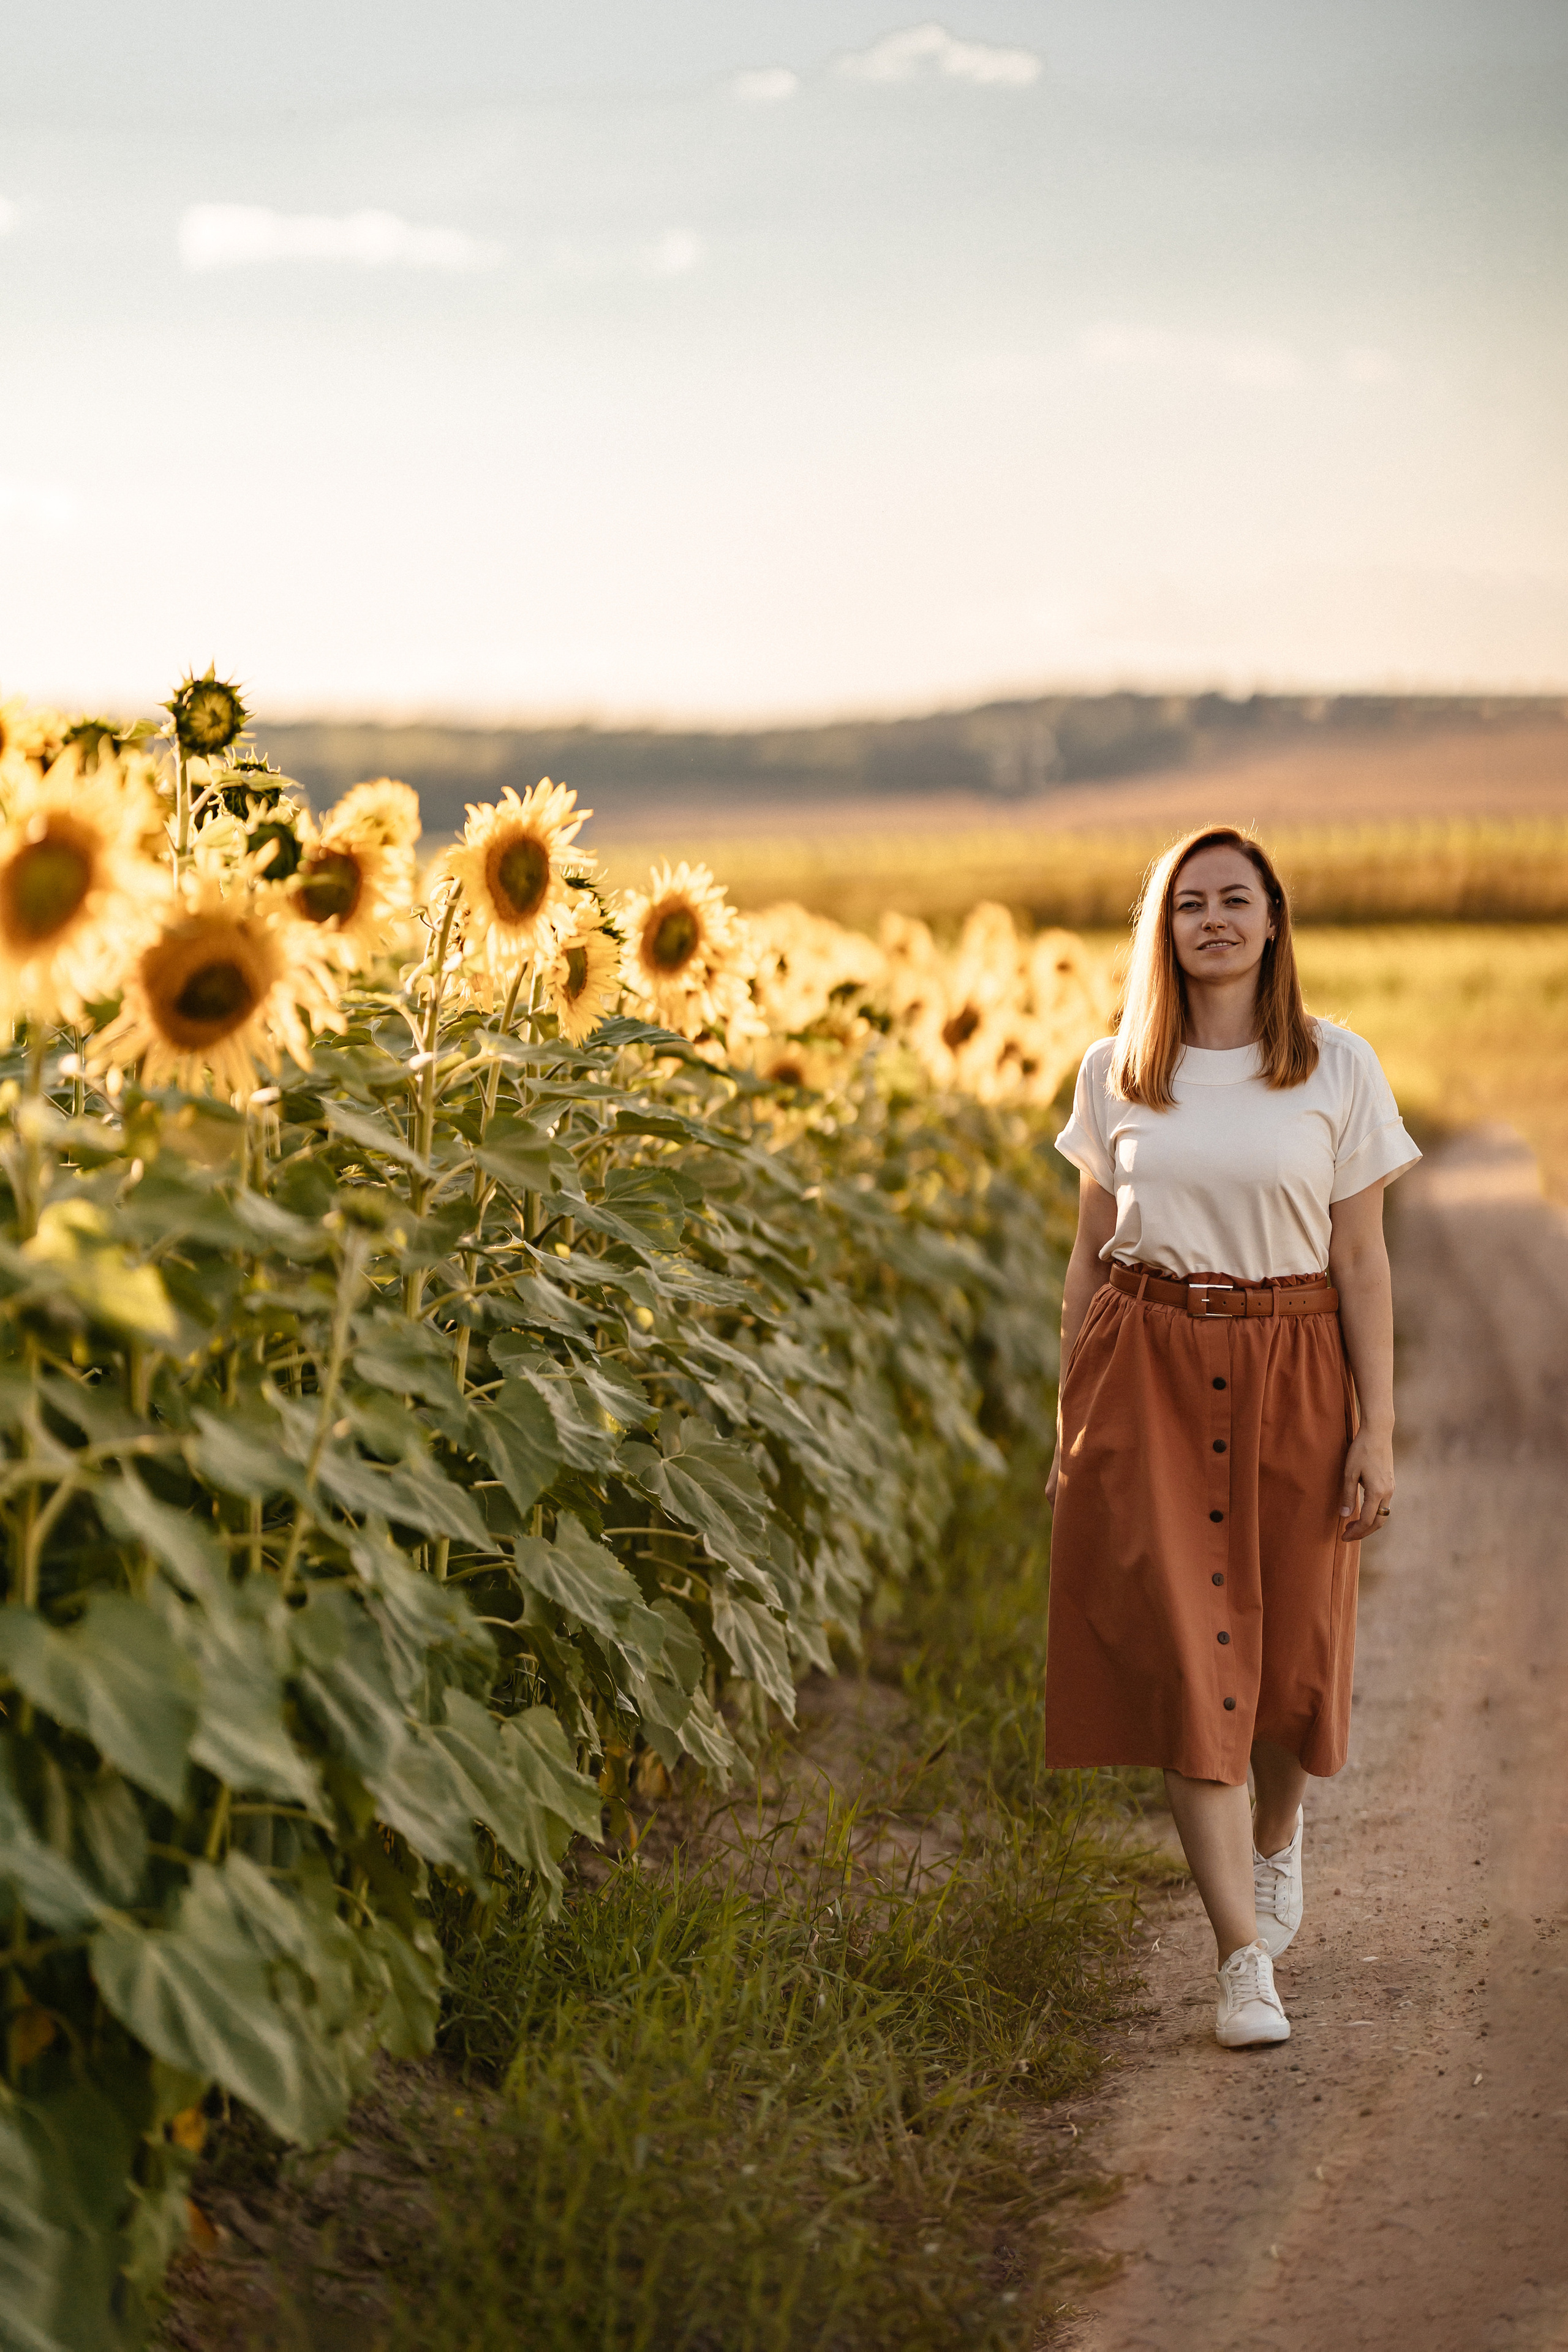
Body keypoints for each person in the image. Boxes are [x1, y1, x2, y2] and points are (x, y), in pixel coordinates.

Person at [1044, 824, 1419, 2048]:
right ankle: (1238, 1959)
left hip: (1295, 1361)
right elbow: (1088, 1254)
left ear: (1270, 921)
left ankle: (1274, 1833)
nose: (1210, 918)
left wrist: (1378, 1428)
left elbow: (1360, 1258)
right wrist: (1071, 1412)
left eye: (1233, 900)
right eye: (1187, 902)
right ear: (1163, 927)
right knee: (1185, 1659)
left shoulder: (1332, 1066)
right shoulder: (1115, 1070)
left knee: (1293, 1653)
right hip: (1146, 1365)